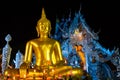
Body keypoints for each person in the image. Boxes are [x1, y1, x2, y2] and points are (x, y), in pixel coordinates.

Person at [4, 8, 84, 79]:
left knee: (78, 71)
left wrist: (57, 65)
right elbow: (27, 61)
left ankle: (48, 74)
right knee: (8, 72)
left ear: (50, 28)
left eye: (46, 26)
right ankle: (46, 74)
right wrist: (24, 65)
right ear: (37, 29)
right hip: (37, 69)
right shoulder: (31, 43)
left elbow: (60, 60)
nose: (44, 27)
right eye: (41, 25)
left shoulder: (55, 43)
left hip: (53, 69)